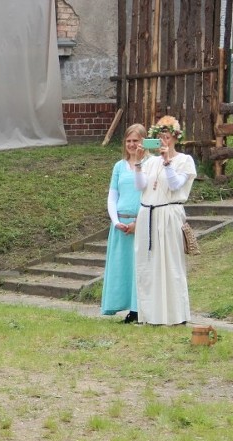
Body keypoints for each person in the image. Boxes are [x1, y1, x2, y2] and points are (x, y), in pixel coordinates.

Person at [133, 116, 197, 325]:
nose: (163, 142)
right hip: (148, 214)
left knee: (170, 263)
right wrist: (139, 163)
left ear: (175, 138)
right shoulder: (151, 162)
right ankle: (151, 315)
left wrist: (168, 163)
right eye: (160, 138)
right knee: (148, 264)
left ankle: (175, 315)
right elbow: (140, 186)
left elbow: (175, 185)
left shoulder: (184, 160)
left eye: (167, 137)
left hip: (169, 214)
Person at [101, 124, 146, 323]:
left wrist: (139, 221)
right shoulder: (119, 166)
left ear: (143, 142)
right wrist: (116, 221)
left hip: (142, 223)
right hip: (121, 223)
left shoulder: (150, 163)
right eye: (128, 141)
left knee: (139, 267)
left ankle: (138, 310)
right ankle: (122, 304)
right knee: (123, 267)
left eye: (135, 141)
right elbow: (112, 196)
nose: (131, 144)